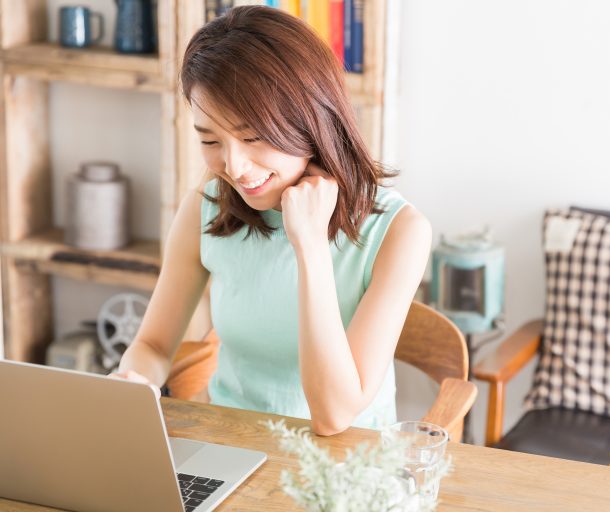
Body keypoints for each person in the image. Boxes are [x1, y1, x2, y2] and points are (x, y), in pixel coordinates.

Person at [112, 6, 431, 435]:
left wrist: (311, 245)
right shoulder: (209, 208)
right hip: (232, 447)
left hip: (347, 470)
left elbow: (334, 416)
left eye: (253, 137)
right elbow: (152, 345)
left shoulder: (399, 231)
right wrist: (136, 378)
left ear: (311, 118)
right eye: (210, 139)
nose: (235, 166)